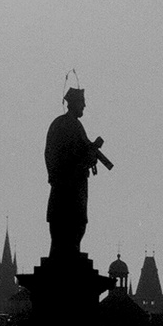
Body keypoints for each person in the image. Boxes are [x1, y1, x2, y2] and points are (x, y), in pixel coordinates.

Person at [45, 86, 109, 260]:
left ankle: (69, 252)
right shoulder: (64, 125)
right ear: (74, 103)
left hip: (74, 184)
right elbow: (60, 154)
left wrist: (89, 154)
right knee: (69, 221)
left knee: (77, 221)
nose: (85, 106)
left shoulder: (73, 125)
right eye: (82, 102)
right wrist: (85, 158)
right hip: (68, 184)